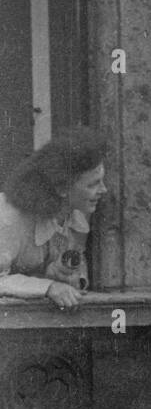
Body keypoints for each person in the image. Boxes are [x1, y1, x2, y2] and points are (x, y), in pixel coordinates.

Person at [0, 128, 108, 312]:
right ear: (62, 189)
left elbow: (76, 272)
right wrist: (49, 287)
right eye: (93, 184)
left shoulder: (77, 218)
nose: (103, 190)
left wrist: (65, 277)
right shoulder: (9, 218)